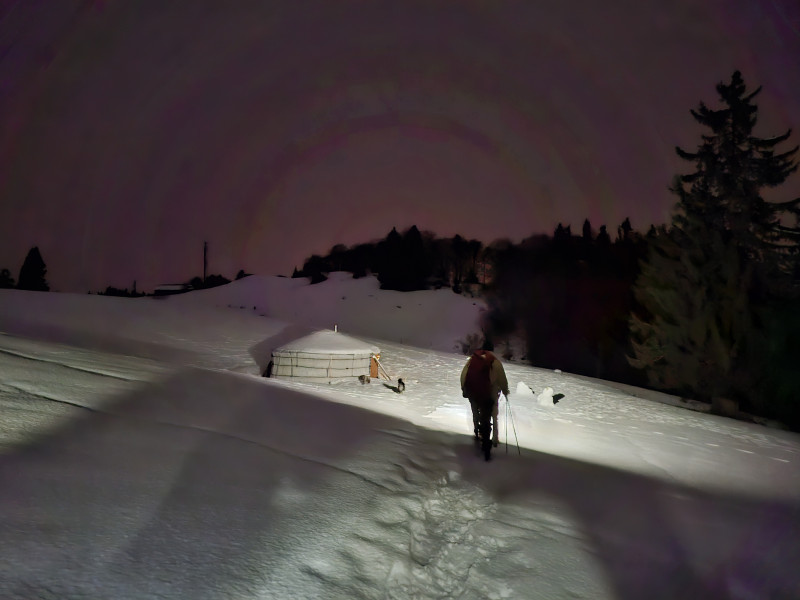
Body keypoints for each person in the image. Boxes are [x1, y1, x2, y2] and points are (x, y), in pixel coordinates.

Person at [460, 347, 510, 461]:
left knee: (475, 412)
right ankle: (491, 441)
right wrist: (505, 391)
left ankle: (477, 431)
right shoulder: (494, 362)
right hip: (489, 395)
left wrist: (464, 389)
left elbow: (463, 375)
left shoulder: (473, 360)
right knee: (490, 416)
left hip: (473, 393)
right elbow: (502, 379)